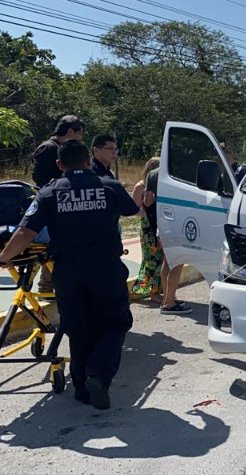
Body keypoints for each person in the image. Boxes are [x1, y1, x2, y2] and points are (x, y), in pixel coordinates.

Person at [0, 140, 139, 410]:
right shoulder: (108, 186)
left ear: (59, 165)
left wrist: (4, 258)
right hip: (105, 269)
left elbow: (25, 233)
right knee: (114, 324)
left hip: (68, 272)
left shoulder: (49, 193)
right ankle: (97, 375)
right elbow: (132, 210)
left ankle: (81, 389)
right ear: (88, 161)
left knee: (78, 328)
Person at [31, 115, 85, 294]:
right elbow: (39, 179)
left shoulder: (61, 148)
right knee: (47, 248)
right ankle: (41, 286)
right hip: (48, 205)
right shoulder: (49, 148)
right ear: (70, 131)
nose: (80, 138)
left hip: (61, 205)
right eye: (80, 133)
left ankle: (47, 287)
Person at [144, 164, 191, 315]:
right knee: (177, 262)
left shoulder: (153, 173)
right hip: (178, 221)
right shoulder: (180, 171)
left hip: (162, 221)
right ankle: (169, 303)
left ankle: (168, 297)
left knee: (167, 261)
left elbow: (147, 201)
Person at [130, 158, 164, 302]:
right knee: (151, 259)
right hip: (148, 226)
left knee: (161, 258)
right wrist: (144, 210)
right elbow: (133, 209)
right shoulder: (141, 186)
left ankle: (158, 289)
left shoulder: (160, 185)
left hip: (161, 224)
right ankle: (152, 291)